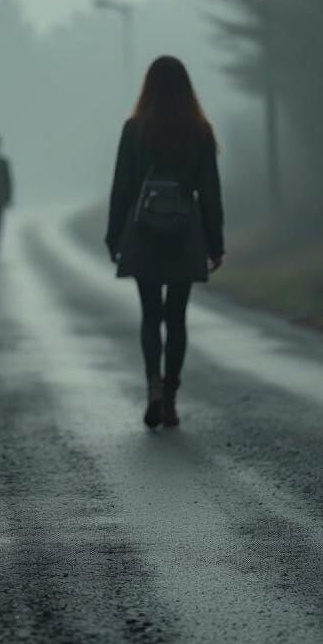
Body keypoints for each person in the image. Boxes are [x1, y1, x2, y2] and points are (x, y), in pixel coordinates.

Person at [104, 56, 224, 430]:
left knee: (150, 315)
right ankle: (171, 398)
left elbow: (122, 188)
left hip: (143, 233)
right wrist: (215, 242)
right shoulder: (199, 131)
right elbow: (209, 192)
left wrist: (113, 235)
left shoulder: (135, 129)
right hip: (185, 235)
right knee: (177, 318)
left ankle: (152, 387)